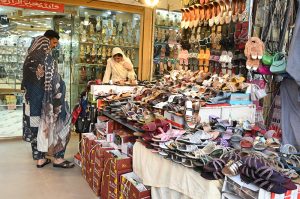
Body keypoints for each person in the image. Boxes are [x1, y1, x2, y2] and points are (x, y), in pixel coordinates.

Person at [22, 30, 74, 168]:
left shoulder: (28, 58)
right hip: (48, 104)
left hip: (31, 104)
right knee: (62, 125)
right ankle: (58, 158)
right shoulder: (47, 58)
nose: (54, 46)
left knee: (36, 129)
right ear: (46, 42)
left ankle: (40, 159)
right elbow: (55, 82)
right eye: (54, 42)